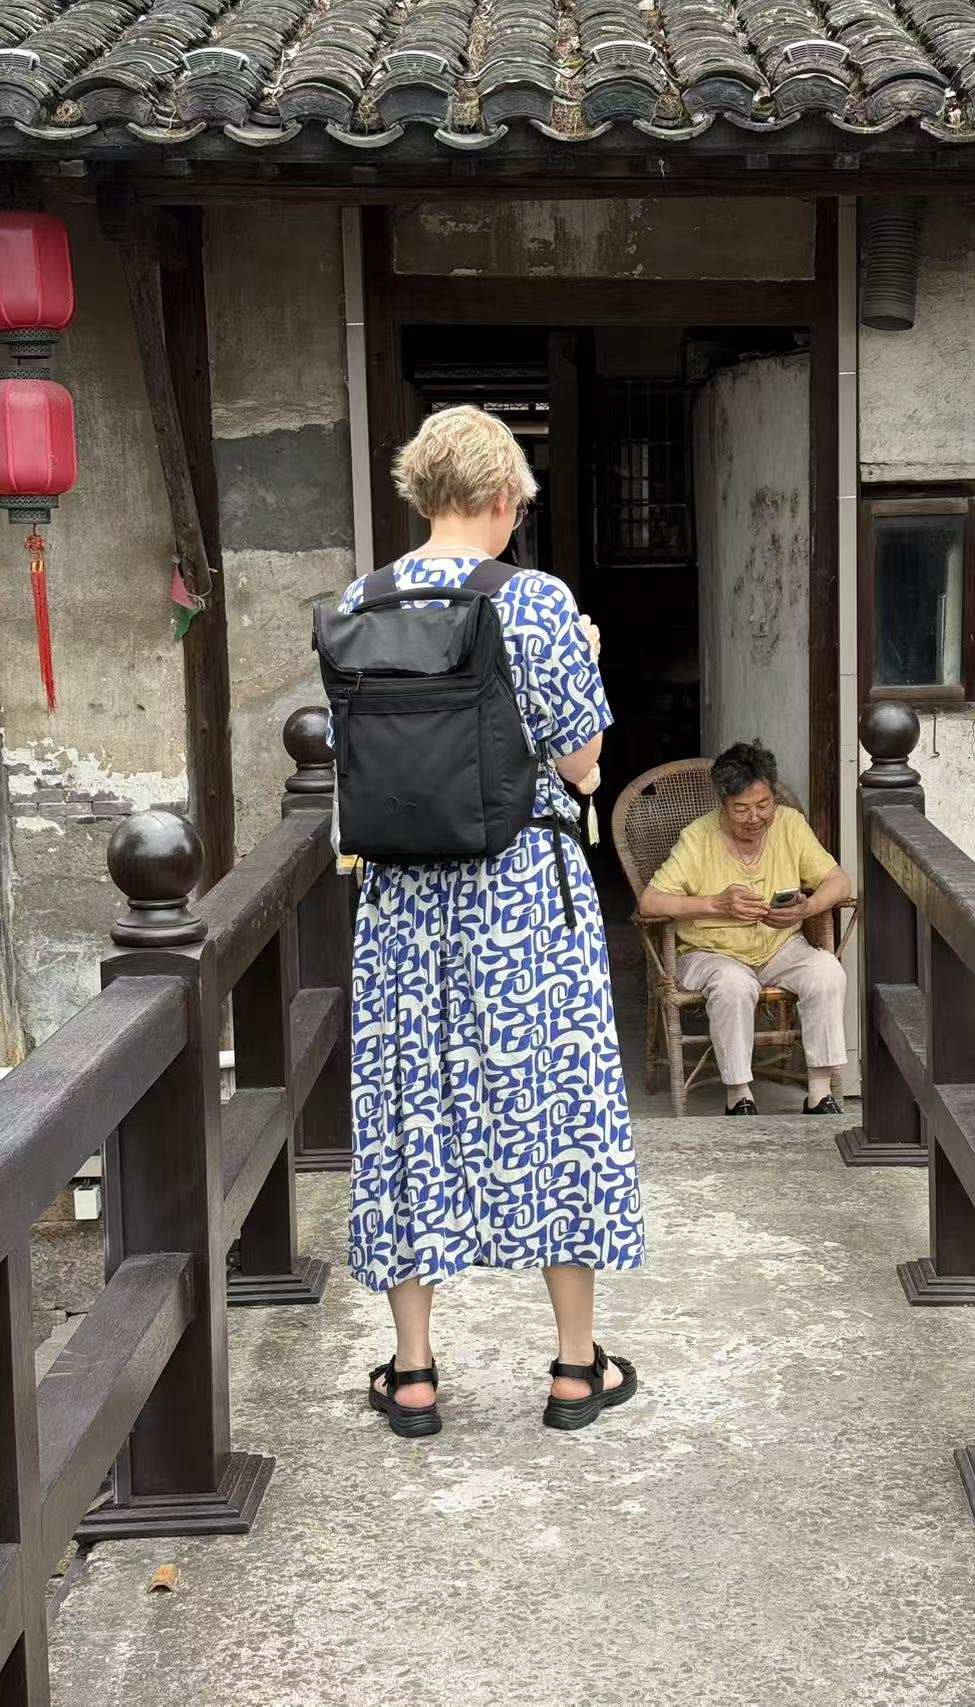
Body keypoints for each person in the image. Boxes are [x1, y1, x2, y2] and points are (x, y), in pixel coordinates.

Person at [339, 405, 643, 1439]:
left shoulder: (362, 599)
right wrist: (583, 655)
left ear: (420, 493)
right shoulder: (536, 601)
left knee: (410, 1109)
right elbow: (581, 764)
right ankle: (574, 1369)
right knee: (556, 1102)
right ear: (505, 499)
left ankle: (414, 1373)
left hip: (400, 905)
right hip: (520, 901)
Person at [638, 740, 851, 1116]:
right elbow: (650, 902)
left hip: (779, 945)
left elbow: (839, 881)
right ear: (723, 801)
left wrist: (809, 906)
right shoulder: (697, 838)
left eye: (763, 805)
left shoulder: (790, 825)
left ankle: (819, 1093)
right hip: (709, 952)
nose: (755, 818)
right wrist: (715, 904)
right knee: (733, 984)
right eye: (741, 809)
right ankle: (739, 1095)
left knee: (827, 972)